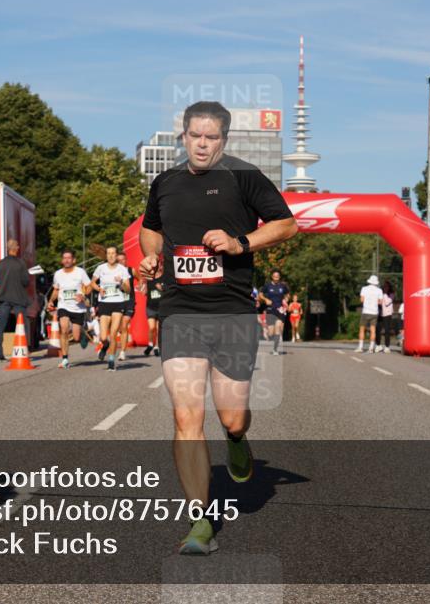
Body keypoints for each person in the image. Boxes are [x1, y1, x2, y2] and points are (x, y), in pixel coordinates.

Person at [139, 100, 297, 555]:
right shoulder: (165, 182)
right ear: (183, 137)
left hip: (232, 314)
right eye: (195, 135)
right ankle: (200, 522)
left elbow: (287, 224)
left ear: (223, 140)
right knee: (186, 416)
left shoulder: (244, 177)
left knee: (231, 416)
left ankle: (237, 439)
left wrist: (239, 241)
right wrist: (150, 256)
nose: (202, 143)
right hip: (180, 311)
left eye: (211, 137)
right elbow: (152, 229)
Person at [47, 248, 91, 369]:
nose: (66, 260)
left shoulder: (80, 272)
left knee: (76, 338)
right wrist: (51, 301)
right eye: (64, 258)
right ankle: (65, 359)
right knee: (64, 329)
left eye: (69, 258)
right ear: (62, 260)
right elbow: (56, 290)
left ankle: (82, 334)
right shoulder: (58, 274)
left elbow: (89, 287)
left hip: (78, 308)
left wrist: (82, 295)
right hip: (63, 306)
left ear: (74, 260)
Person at [92, 246, 131, 371]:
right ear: (106, 255)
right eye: (108, 253)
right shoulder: (100, 268)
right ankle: (105, 346)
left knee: (113, 333)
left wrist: (122, 283)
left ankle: (111, 360)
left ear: (116, 255)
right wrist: (99, 289)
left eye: (113, 253)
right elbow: (92, 283)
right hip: (104, 303)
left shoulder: (122, 270)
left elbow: (128, 289)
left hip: (118, 302)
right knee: (103, 337)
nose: (111, 256)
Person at [0, 239, 30, 362]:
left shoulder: (0, 263)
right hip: (19, 299)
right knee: (22, 325)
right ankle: (23, 350)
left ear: (8, 249)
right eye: (18, 246)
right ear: (16, 248)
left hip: (4, 299)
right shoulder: (21, 263)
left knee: (0, 327)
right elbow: (26, 282)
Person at [259, 270, 290, 355]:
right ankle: (268, 333)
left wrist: (286, 300)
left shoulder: (282, 286)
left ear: (279, 277)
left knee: (278, 329)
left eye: (278, 276)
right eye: (275, 276)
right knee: (270, 333)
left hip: (280, 310)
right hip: (270, 310)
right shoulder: (267, 286)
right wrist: (266, 299)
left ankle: (275, 349)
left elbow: (287, 294)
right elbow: (260, 294)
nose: (276, 278)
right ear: (272, 277)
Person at [116, 251, 136, 362]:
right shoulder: (112, 273)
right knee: (118, 327)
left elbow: (141, 278)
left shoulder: (131, 270)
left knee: (124, 324)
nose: (121, 262)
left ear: (126, 260)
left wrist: (142, 285)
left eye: (123, 260)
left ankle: (122, 352)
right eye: (118, 260)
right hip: (117, 302)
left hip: (129, 301)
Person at [357, 275, 383, 353]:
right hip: (374, 312)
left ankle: (360, 347)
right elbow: (380, 302)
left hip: (365, 311)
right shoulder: (379, 290)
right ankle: (371, 348)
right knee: (373, 330)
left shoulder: (364, 289)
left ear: (369, 281)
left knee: (362, 329)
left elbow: (361, 300)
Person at [141, 275, 163, 356]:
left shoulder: (164, 278)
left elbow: (168, 291)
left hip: (161, 307)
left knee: (158, 329)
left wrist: (161, 288)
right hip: (150, 307)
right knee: (152, 327)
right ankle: (150, 344)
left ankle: (156, 346)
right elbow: (144, 293)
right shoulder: (149, 280)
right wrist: (143, 285)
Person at [375, 280, 395, 353]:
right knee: (378, 330)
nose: (385, 288)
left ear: (389, 287)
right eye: (384, 287)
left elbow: (386, 302)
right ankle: (378, 345)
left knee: (387, 331)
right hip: (380, 313)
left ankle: (387, 346)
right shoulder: (380, 294)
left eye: (387, 287)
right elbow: (377, 302)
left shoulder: (391, 294)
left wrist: (384, 295)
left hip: (388, 314)